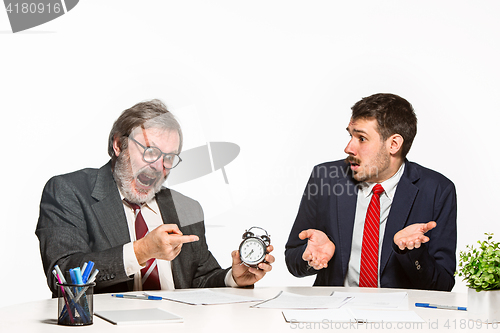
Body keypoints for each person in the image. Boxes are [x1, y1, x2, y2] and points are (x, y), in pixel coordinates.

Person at [36, 99, 274, 296]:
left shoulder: (186, 208)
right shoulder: (68, 191)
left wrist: (234, 278)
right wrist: (141, 251)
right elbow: (63, 275)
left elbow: (200, 281)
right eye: (151, 152)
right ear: (119, 145)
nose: (159, 167)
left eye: (169, 157)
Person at [285, 93, 456, 291]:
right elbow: (293, 260)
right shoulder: (325, 178)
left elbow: (443, 286)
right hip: (335, 312)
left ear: (394, 144)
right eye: (350, 135)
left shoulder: (437, 190)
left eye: (362, 138)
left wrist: (412, 252)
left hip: (399, 317)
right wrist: (310, 256)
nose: (348, 148)